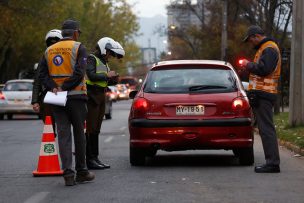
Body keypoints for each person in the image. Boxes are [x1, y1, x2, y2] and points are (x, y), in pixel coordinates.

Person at [39, 19, 95, 185]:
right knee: (79, 134)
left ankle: (68, 174)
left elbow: (42, 75)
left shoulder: (49, 50)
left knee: (63, 135)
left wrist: (54, 87)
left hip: (56, 98)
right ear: (76, 32)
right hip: (76, 97)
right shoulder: (79, 48)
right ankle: (82, 171)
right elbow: (80, 72)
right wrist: (65, 86)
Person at [240, 25, 281, 173]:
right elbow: (261, 70)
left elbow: (264, 69)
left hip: (264, 94)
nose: (251, 43)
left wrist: (248, 64)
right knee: (265, 129)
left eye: (251, 40)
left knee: (266, 129)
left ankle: (272, 163)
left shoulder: (269, 48)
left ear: (256, 36)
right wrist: (249, 68)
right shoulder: (265, 48)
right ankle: (272, 162)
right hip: (262, 94)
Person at [85, 37, 125, 169]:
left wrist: (113, 79)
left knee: (96, 128)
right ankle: (89, 159)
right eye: (110, 53)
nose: (111, 56)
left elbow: (104, 80)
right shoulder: (91, 59)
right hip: (91, 96)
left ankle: (95, 158)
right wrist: (107, 76)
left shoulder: (103, 61)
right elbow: (91, 75)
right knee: (90, 129)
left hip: (101, 95)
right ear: (103, 49)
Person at [31, 29, 62, 134]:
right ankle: (51, 146)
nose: (53, 45)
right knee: (49, 128)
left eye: (56, 43)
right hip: (48, 95)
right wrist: (35, 101)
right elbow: (37, 81)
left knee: (66, 127)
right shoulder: (45, 56)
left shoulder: (68, 56)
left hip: (65, 92)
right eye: (51, 43)